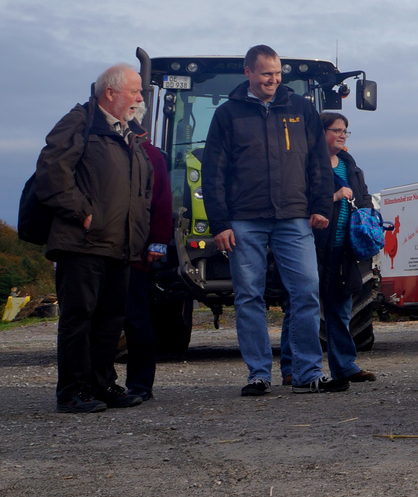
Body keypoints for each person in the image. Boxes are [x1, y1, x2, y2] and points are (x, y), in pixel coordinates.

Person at [201, 45, 337, 395]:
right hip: (244, 218)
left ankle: (307, 373)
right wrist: (220, 223)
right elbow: (212, 172)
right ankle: (258, 373)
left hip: (294, 216)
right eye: (266, 74)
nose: (273, 80)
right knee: (249, 296)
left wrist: (321, 205)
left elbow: (319, 163)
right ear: (248, 72)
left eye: (277, 74)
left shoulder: (301, 109)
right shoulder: (228, 115)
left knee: (306, 290)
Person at [32, 64, 152, 413]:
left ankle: (102, 385)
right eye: (135, 91)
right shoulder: (81, 122)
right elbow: (51, 170)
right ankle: (72, 392)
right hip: (81, 242)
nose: (140, 98)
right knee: (79, 318)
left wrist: (139, 228)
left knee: (110, 320)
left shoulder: (131, 132)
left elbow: (141, 189)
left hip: (120, 243)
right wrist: (82, 213)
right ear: (111, 93)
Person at [278, 112, 375, 386]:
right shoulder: (304, 165)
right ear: (320, 133)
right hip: (310, 246)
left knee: (341, 309)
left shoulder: (351, 167)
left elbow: (364, 198)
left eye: (345, 130)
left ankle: (345, 366)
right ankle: (292, 367)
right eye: (336, 130)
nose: (342, 135)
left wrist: (368, 216)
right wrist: (333, 197)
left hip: (344, 249)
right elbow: (297, 202)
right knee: (301, 306)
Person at [122, 108, 171, 403]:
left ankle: (140, 383)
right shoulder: (89, 145)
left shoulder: (150, 153)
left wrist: (159, 241)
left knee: (136, 318)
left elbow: (162, 200)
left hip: (135, 248)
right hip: (100, 246)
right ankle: (98, 380)